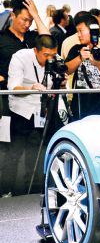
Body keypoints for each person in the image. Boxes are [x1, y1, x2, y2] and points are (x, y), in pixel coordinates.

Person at [5, 35, 65, 195]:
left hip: (42, 111)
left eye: (53, 54)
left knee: (37, 153)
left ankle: (34, 190)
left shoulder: (55, 60)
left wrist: (61, 82)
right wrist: (31, 88)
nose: (50, 58)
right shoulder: (20, 57)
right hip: (21, 111)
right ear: (35, 50)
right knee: (14, 153)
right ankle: (6, 191)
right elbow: (13, 87)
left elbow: (55, 85)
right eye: (46, 55)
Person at [65, 13, 100, 119]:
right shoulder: (77, 49)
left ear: (93, 31)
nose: (78, 35)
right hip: (80, 105)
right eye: (77, 31)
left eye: (81, 31)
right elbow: (66, 70)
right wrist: (80, 58)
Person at [0, 0, 50, 91]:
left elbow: (49, 43)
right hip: (7, 92)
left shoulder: (33, 37)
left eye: (31, 21)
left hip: (34, 92)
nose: (27, 24)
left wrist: (36, 15)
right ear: (13, 16)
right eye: (24, 20)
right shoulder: (2, 38)